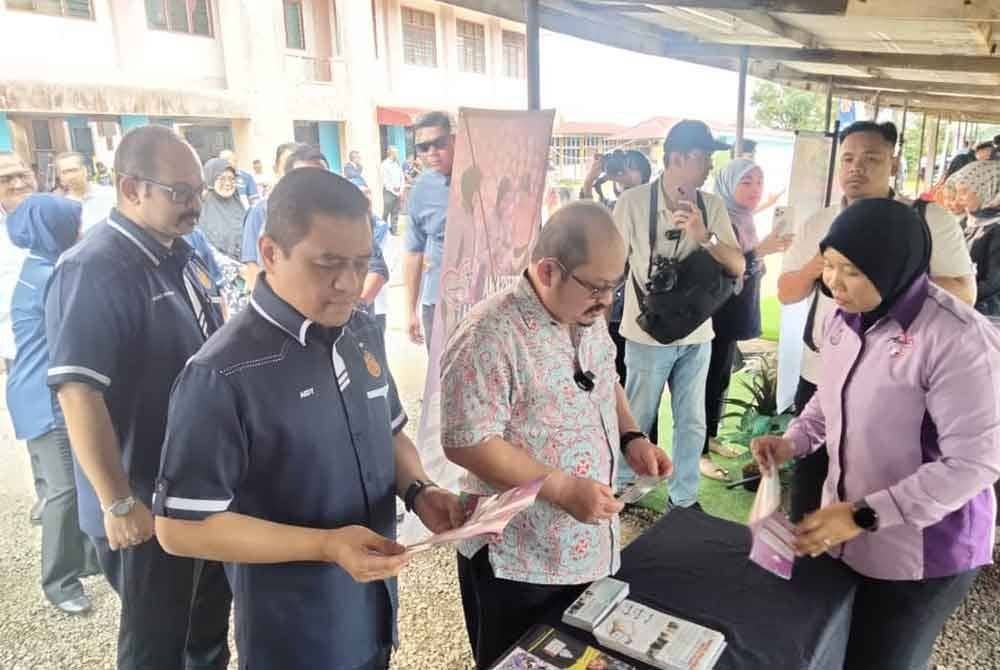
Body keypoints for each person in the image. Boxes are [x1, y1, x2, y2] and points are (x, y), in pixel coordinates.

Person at [153, 167, 462, 668]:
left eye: (361, 263)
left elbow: (390, 430)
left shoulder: (359, 329)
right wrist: (324, 545)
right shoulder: (222, 374)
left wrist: (421, 491)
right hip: (296, 632)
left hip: (373, 608)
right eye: (327, 263)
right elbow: (179, 528)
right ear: (270, 252)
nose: (348, 283)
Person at [753, 198, 1000, 670]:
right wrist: (794, 441)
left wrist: (865, 515)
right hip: (847, 531)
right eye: (828, 266)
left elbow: (975, 463)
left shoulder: (957, 339)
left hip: (923, 552)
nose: (833, 283)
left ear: (893, 267)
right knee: (832, 648)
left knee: (883, 658)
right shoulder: (843, 317)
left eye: (851, 271)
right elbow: (830, 398)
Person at [442, 201, 671, 668]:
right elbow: (467, 440)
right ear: (548, 271)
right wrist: (563, 488)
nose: (608, 301)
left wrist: (632, 437)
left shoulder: (582, 315)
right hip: (519, 559)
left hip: (585, 549)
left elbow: (605, 380)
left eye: (615, 286)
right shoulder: (490, 333)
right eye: (598, 287)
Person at [45, 125, 231, 669]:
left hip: (194, 490)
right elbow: (79, 393)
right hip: (142, 499)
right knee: (157, 644)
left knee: (205, 628)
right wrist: (118, 500)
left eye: (198, 190)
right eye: (181, 193)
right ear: (131, 189)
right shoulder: (95, 269)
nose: (195, 204)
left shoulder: (179, 254)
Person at [778, 120, 976, 522]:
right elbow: (786, 291)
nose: (857, 168)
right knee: (811, 481)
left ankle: (872, 550)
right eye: (848, 159)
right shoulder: (821, 221)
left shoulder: (927, 219)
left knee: (882, 475)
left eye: (871, 159)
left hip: (897, 378)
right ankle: (812, 563)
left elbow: (965, 293)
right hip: (824, 368)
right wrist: (829, 258)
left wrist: (886, 276)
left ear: (894, 163)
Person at [612, 120, 745, 507]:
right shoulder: (634, 202)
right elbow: (615, 264)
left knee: (692, 420)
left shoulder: (713, 206)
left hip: (697, 333)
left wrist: (705, 236)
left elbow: (737, 266)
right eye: (704, 157)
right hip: (646, 331)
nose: (708, 166)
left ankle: (683, 498)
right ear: (678, 157)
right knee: (637, 416)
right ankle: (625, 484)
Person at [6, 194, 100, 614]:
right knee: (62, 490)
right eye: (73, 224)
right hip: (45, 399)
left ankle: (82, 557)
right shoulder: (54, 274)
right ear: (56, 229)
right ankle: (59, 580)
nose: (79, 232)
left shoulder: (36, 266)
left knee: (66, 483)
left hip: (31, 390)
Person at [701, 159, 793, 481]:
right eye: (746, 182)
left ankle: (712, 436)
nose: (755, 190)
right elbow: (727, 269)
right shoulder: (719, 219)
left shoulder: (745, 218)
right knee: (708, 380)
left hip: (737, 310)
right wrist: (761, 252)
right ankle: (700, 452)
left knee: (723, 376)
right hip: (718, 311)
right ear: (728, 184)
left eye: (759, 181)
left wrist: (762, 251)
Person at [579, 150, 652, 386]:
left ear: (644, 176)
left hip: (634, 306)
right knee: (608, 375)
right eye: (621, 166)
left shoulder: (649, 207)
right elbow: (585, 218)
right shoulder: (611, 205)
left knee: (632, 381)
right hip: (609, 305)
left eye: (630, 166)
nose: (622, 171)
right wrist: (591, 179)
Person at [0, 151, 44, 524]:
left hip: (58, 337)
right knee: (39, 424)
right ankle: (50, 495)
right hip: (17, 342)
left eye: (21, 175)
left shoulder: (49, 216)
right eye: (5, 179)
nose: (16, 184)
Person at [404, 111, 455, 349]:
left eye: (439, 143)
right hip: (438, 303)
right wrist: (410, 310)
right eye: (423, 147)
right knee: (441, 379)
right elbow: (414, 253)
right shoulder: (420, 190)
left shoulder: (485, 180)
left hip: (483, 298)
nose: (432, 153)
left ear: (454, 140)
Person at [240, 141, 302, 290]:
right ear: (276, 169)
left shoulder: (319, 214)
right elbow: (252, 268)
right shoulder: (260, 212)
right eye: (287, 167)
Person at [946, 160, 1000, 318]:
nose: (959, 198)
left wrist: (948, 293)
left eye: (964, 192)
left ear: (987, 190)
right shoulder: (969, 221)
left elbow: (992, 284)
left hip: (984, 313)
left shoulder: (996, 229)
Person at [53, 152, 116, 232]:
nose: (70, 176)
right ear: (60, 177)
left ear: (85, 170)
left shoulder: (110, 194)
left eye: (74, 170)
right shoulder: (61, 207)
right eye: (65, 172)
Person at [200, 157, 245, 260]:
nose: (228, 183)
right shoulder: (201, 209)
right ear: (210, 179)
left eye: (232, 178)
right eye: (222, 178)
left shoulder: (237, 203)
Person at [381, 146, 404, 235]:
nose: (397, 154)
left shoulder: (397, 163)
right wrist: (395, 192)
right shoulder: (384, 164)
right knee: (386, 211)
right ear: (391, 153)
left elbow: (402, 177)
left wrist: (401, 190)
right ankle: (383, 230)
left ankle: (394, 230)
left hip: (398, 190)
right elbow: (386, 181)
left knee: (395, 211)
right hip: (389, 191)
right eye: (396, 153)